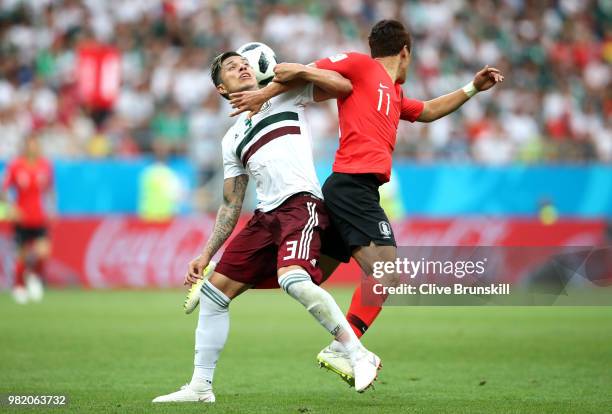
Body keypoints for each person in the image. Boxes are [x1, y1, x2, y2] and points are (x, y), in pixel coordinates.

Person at [228, 19, 504, 386]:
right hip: (350, 187)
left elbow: (429, 110)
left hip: (354, 190)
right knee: (386, 272)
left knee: (309, 274)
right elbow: (296, 69)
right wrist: (265, 92)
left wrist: (472, 87)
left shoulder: (391, 91)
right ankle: (344, 346)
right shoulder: (361, 65)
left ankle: (225, 281)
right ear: (405, 52)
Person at [153, 51, 381, 404]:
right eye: (232, 67)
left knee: (293, 280)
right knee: (213, 295)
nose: (242, 66)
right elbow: (231, 204)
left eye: (244, 62)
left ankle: (357, 353)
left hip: (301, 205)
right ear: (220, 88)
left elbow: (344, 86)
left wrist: (295, 75)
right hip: (264, 217)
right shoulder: (231, 139)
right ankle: (200, 387)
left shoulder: (283, 94)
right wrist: (205, 254)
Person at [1, 136, 55, 304]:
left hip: (39, 216)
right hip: (22, 218)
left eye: (35, 145)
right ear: (25, 147)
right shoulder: (16, 165)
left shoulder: (45, 165)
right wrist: (12, 208)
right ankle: (18, 286)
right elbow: (3, 189)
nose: (33, 148)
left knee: (43, 251)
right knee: (22, 254)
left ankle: (32, 276)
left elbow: (50, 190)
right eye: (30, 145)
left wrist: (53, 209)